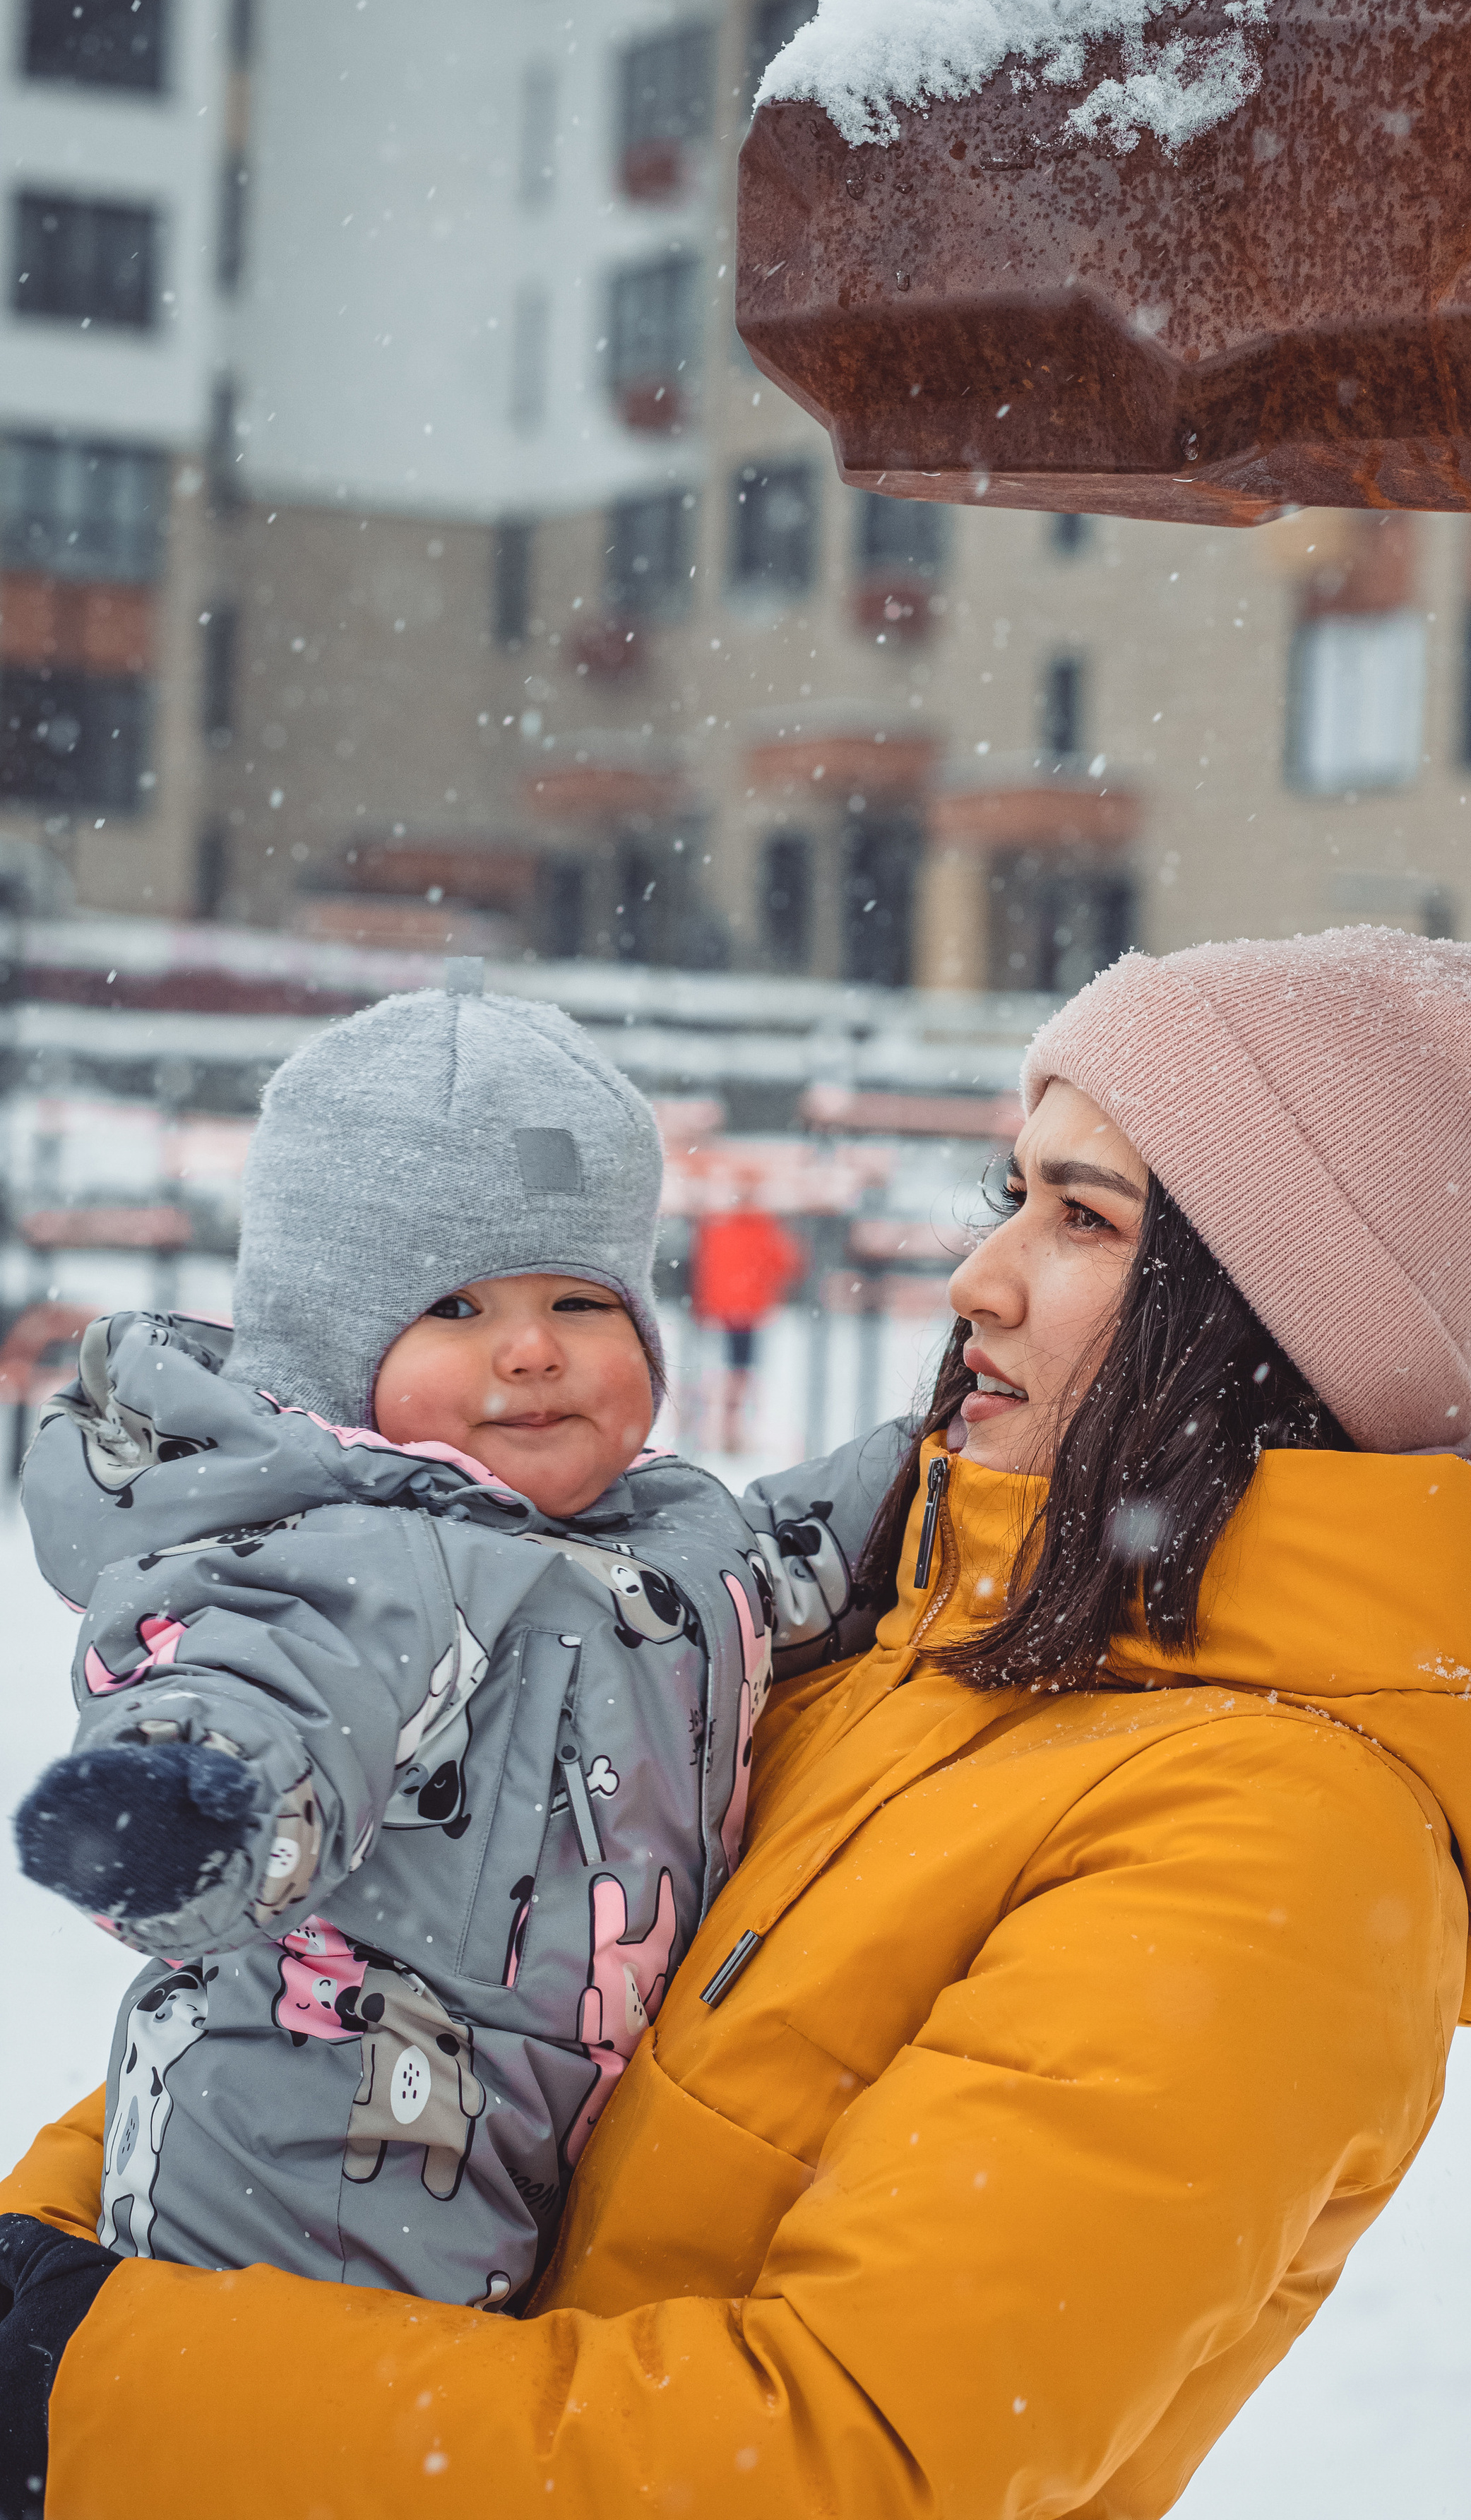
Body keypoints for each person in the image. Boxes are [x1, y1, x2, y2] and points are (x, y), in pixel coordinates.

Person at [0, 927, 1471, 2520]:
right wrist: (66, 2264)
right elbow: (359, 1977)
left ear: (1256, 1315)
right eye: (1010, 1197)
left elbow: (830, 2464)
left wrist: (89, 2376)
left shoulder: (1277, 1851)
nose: (975, 1273)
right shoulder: (902, 1656)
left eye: (1078, 1216)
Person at [0, 979, 895, 2336]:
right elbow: (271, 1687)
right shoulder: (350, 1556)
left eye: (581, 1302)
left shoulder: (662, 1533)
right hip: (300, 2226)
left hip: (516, 2194)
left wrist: (935, 1470)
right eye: (461, 1309)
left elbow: (779, 1569)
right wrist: (189, 1807)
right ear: (334, 1350)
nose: (533, 1352)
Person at [688, 1203, 804, 1454]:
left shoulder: (714, 1221)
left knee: (710, 1370)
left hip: (713, 1308)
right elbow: (787, 1264)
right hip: (747, 1311)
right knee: (741, 1372)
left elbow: (701, 1264)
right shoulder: (764, 1225)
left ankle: (705, 1426)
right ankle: (733, 1428)